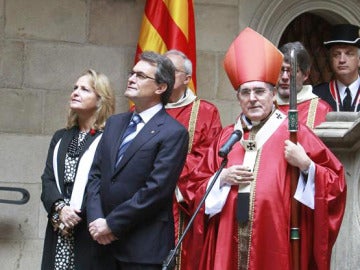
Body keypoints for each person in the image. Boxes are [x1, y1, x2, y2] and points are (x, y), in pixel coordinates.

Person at [195, 27, 346, 270]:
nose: (252, 98)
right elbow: (197, 188)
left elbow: (336, 183)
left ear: (273, 94)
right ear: (238, 98)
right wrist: (221, 178)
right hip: (228, 237)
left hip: (275, 239)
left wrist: (307, 165)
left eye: (259, 91)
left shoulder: (295, 133)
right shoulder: (227, 136)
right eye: (245, 92)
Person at [86, 51, 189, 270]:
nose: (131, 78)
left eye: (141, 76)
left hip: (142, 249)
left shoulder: (173, 132)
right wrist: (96, 220)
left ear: (161, 87)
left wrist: (112, 224)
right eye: (132, 73)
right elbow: (96, 174)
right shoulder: (115, 123)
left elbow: (156, 190)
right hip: (101, 244)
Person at [40, 69, 115, 269]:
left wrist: (75, 213)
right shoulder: (61, 137)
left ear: (100, 100)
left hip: (89, 228)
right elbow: (48, 179)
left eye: (84, 89)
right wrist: (60, 209)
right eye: (75, 88)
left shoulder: (109, 138)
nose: (75, 92)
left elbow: (104, 184)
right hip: (59, 225)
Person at [163, 49, 222, 270]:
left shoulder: (206, 112)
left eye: (171, 71)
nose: (164, 75)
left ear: (187, 78)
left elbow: (209, 159)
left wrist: (163, 172)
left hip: (182, 204)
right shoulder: (146, 109)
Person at [276, 42, 332, 129]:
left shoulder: (321, 110)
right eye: (281, 70)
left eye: (292, 71)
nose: (284, 77)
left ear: (306, 74)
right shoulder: (264, 107)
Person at [313, 23, 360, 112]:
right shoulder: (316, 96)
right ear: (331, 60)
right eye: (336, 54)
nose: (342, 60)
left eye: (349, 54)